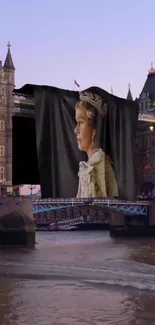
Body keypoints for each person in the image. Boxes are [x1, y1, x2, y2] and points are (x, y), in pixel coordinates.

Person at [74, 91, 118, 198]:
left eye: (80, 122)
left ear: (93, 132)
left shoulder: (101, 164)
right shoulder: (89, 165)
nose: (76, 130)